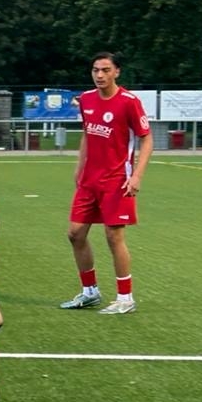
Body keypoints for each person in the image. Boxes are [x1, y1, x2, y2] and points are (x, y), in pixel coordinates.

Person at [60, 52, 152, 314]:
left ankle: (125, 298)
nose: (99, 75)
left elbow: (147, 139)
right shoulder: (87, 99)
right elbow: (87, 135)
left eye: (105, 70)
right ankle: (90, 292)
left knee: (114, 236)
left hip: (117, 180)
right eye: (95, 70)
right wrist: (79, 167)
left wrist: (137, 176)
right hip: (89, 181)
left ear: (117, 72)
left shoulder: (129, 102)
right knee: (75, 234)